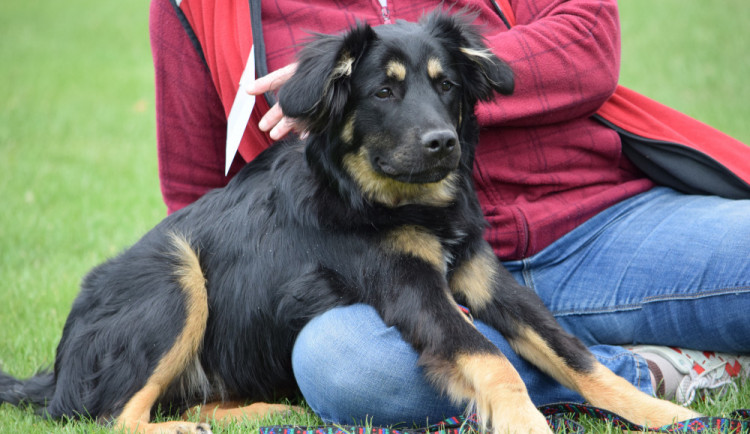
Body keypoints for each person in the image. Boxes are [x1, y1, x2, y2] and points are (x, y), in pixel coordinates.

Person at [149, 0, 750, 426]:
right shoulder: (197, 6)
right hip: (375, 284)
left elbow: (587, 38)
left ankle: (591, 349)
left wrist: (445, 70)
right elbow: (202, 198)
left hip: (590, 222)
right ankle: (653, 371)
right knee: (347, 368)